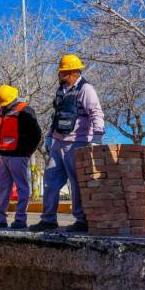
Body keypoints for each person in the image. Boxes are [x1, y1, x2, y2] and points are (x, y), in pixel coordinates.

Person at [30, 54, 105, 233]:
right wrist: (49, 136)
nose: (59, 75)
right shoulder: (61, 90)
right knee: (50, 181)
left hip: (77, 143)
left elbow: (96, 112)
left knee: (77, 183)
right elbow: (56, 116)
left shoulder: (85, 89)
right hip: (58, 142)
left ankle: (81, 220)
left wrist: (97, 138)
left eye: (62, 72)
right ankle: (48, 220)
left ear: (71, 72)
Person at [0, 85, 42, 230]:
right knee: (3, 188)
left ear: (12, 99)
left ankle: (20, 219)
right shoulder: (3, 110)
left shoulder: (25, 111)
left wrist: (27, 153)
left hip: (19, 156)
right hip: (4, 156)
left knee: (22, 188)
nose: (3, 105)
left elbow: (37, 134)